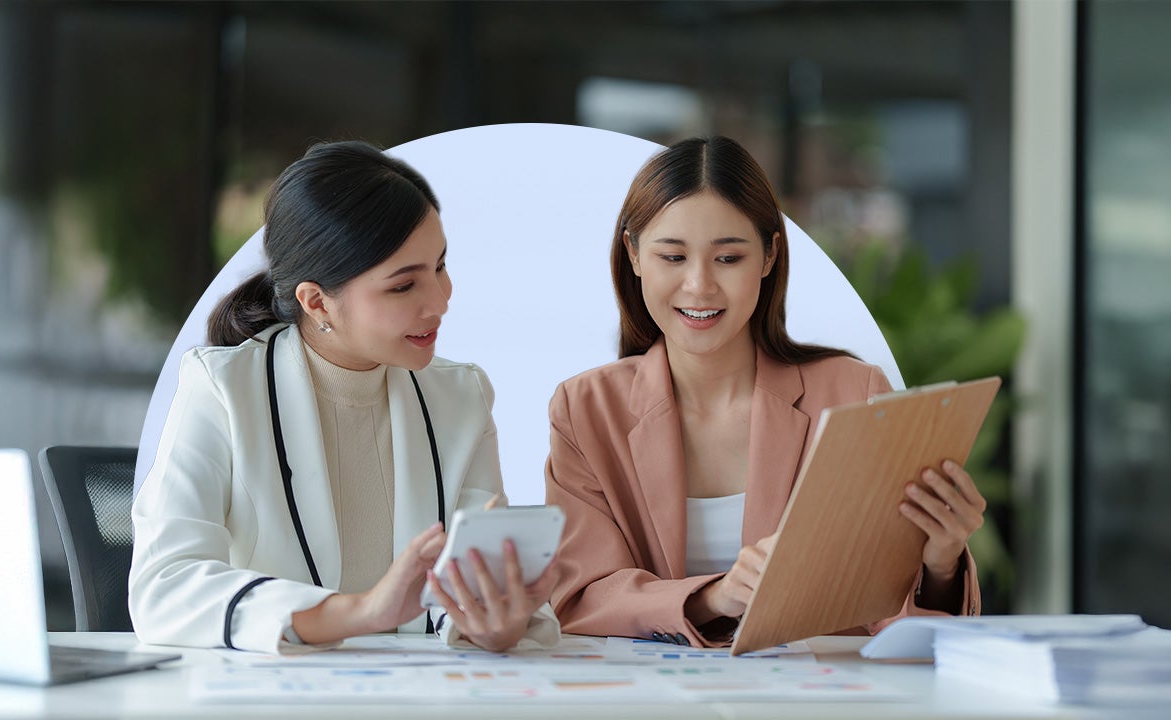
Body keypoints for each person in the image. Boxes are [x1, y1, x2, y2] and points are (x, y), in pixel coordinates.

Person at [545, 136, 983, 647]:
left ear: (770, 255)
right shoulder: (585, 410)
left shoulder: (854, 393)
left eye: (728, 258)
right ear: (634, 255)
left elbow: (888, 615)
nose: (699, 286)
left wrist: (942, 562)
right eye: (673, 257)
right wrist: (715, 597)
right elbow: (584, 597)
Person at [130, 141, 560, 654]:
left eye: (440, 267)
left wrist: (497, 621)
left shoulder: (461, 396)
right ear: (316, 302)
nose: (442, 301)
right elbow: (164, 586)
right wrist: (360, 612)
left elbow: (465, 586)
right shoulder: (223, 390)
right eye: (403, 287)